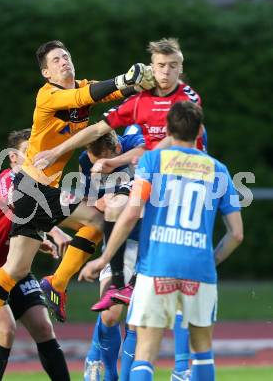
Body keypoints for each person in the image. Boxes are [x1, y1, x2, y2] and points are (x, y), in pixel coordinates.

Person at [0, 39, 155, 371]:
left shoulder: (83, 85)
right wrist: (124, 79)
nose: (64, 62)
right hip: (33, 189)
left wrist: (140, 85)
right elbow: (82, 98)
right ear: (46, 71)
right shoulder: (48, 94)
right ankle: (66, 283)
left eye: (66, 56)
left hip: (30, 193)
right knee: (99, 217)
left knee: (17, 269)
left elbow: (108, 96)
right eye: (56, 60)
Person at [34, 38, 205, 380]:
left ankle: (185, 368)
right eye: (159, 65)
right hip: (139, 216)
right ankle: (99, 350)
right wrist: (55, 153)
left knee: (167, 304)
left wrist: (115, 163)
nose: (166, 72)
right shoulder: (135, 108)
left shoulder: (187, 102)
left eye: (172, 66)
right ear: (152, 68)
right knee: (116, 314)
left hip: (176, 204)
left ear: (180, 68)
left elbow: (155, 148)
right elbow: (98, 127)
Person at [79, 101, 243, 381]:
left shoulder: (153, 161)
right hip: (199, 269)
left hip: (156, 264)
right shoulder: (219, 169)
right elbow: (237, 234)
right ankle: (181, 372)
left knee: (145, 350)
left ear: (166, 130)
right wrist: (211, 261)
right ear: (200, 130)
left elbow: (130, 213)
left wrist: (105, 259)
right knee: (202, 353)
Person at [0, 129, 71, 380]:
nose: (32, 158)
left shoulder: (28, 185)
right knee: (5, 331)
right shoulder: (7, 180)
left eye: (34, 152)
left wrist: (37, 238)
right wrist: (54, 231)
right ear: (12, 157)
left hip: (13, 267)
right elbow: (20, 205)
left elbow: (19, 218)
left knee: (44, 328)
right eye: (26, 153)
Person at [79, 127, 143, 381]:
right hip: (121, 242)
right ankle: (104, 366)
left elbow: (144, 149)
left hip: (151, 239)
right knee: (110, 313)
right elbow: (94, 202)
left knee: (137, 319)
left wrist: (112, 164)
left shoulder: (136, 140)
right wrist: (99, 202)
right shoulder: (88, 160)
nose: (100, 169)